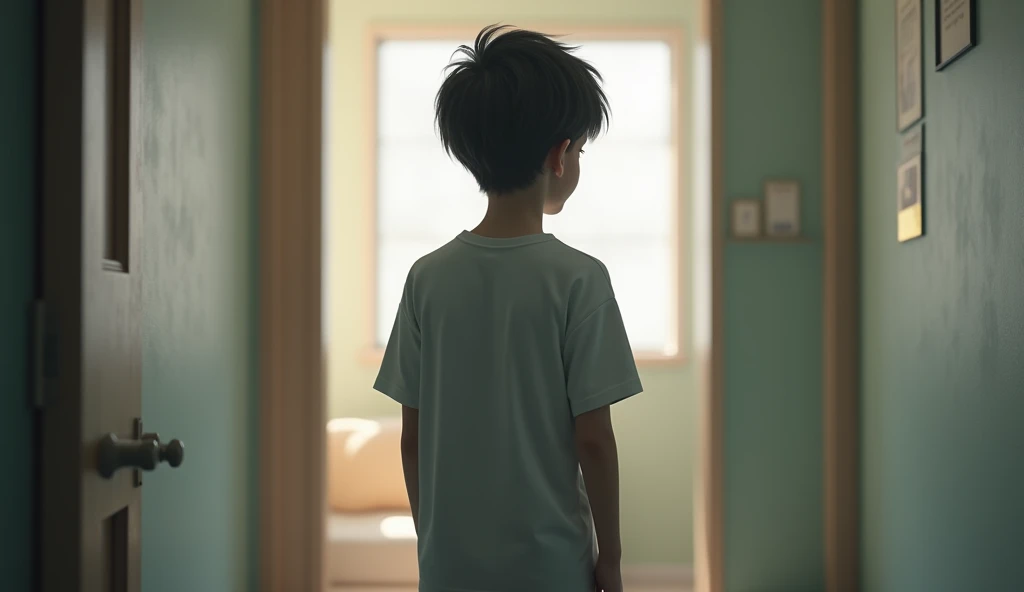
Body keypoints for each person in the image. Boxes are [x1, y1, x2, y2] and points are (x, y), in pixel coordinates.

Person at [374, 24, 642, 592]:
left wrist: (434, 544)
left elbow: (411, 439)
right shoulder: (580, 279)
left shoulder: (427, 279)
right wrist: (610, 559)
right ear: (560, 155)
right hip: (551, 566)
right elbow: (593, 440)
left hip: (450, 568)